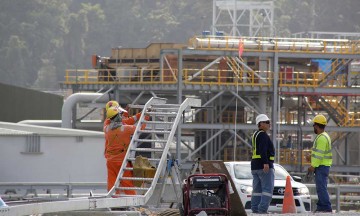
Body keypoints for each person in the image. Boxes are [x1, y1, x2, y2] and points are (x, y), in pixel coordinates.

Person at [104, 106, 148, 195]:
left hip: (110, 161)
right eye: (120, 115)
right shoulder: (125, 129)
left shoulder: (107, 129)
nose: (122, 116)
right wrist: (145, 117)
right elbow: (140, 129)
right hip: (122, 161)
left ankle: (113, 202)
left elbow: (110, 121)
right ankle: (132, 203)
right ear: (118, 117)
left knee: (112, 182)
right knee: (127, 183)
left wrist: (139, 115)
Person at [250, 114, 275, 214]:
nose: (269, 124)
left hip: (255, 166)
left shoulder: (255, 135)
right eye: (267, 122)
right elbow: (263, 150)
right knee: (267, 189)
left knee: (257, 190)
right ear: (261, 124)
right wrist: (266, 163)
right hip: (263, 166)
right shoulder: (263, 135)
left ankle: (255, 208)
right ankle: (262, 209)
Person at [308, 114, 332, 213]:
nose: (313, 127)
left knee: (321, 187)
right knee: (321, 187)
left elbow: (319, 154)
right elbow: (318, 153)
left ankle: (326, 207)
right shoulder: (324, 136)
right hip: (323, 166)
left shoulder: (321, 138)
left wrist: (313, 166)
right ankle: (322, 206)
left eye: (314, 125)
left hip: (321, 166)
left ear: (317, 126)